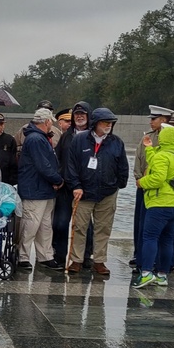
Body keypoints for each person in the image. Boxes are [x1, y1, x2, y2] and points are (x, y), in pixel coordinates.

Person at [65, 107, 129, 274]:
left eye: (111, 122)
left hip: (107, 193)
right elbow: (71, 165)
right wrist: (76, 185)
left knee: (103, 228)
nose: (109, 125)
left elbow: (123, 166)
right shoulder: (79, 140)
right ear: (95, 123)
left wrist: (119, 185)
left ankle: (99, 261)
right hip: (84, 192)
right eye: (105, 122)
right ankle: (76, 260)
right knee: (79, 227)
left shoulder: (116, 142)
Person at [133, 125, 174, 288]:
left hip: (159, 204)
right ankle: (162, 275)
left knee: (150, 237)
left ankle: (146, 273)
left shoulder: (162, 156)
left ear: (162, 139)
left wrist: (141, 182)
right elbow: (155, 161)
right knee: (167, 239)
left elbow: (157, 177)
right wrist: (149, 148)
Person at [16, 108, 64, 270]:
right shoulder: (36, 139)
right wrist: (57, 179)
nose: (51, 125)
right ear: (47, 121)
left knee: (45, 225)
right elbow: (43, 165)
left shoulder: (39, 137)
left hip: (43, 189)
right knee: (31, 224)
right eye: (51, 122)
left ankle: (45, 255)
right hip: (34, 189)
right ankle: (22, 255)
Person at [131, 106, 174, 268]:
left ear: (163, 120)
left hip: (160, 190)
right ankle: (139, 255)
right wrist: (139, 178)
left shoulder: (171, 139)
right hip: (143, 186)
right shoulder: (147, 138)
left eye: (154, 119)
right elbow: (138, 159)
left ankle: (157, 260)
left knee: (157, 228)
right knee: (140, 224)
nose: (151, 122)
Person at [53, 101, 92, 265]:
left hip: (85, 188)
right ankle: (60, 254)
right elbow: (57, 159)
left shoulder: (93, 136)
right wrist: (58, 178)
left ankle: (85, 256)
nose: (79, 117)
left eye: (83, 114)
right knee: (60, 223)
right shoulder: (66, 136)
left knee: (85, 226)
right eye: (77, 115)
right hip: (65, 187)